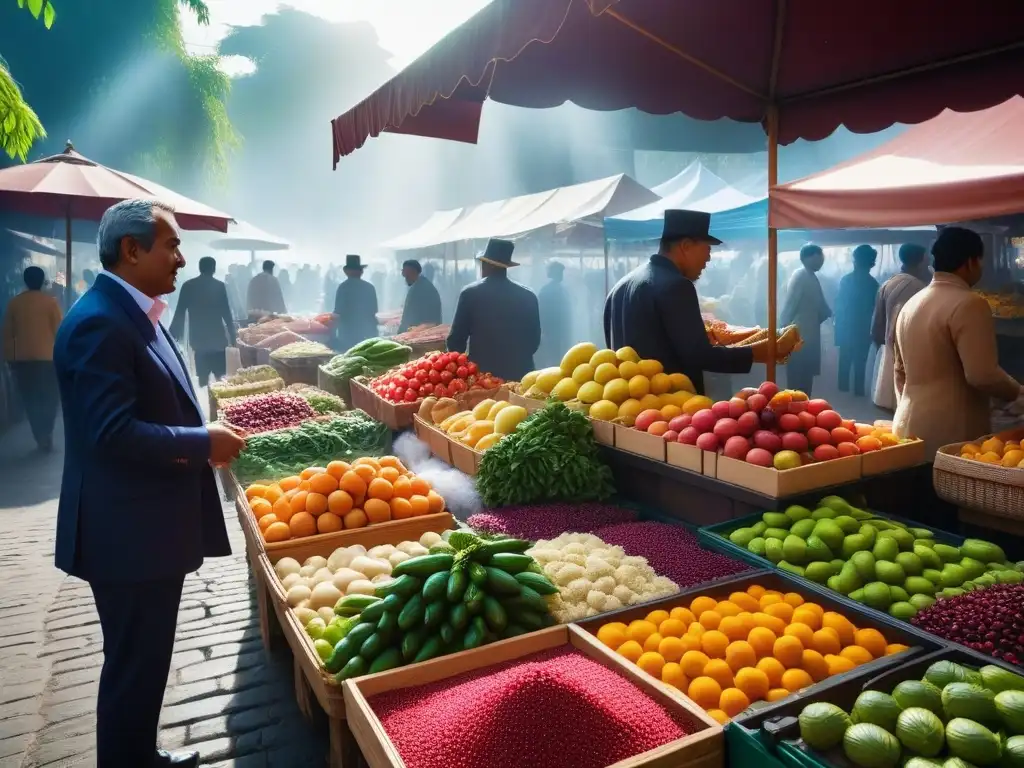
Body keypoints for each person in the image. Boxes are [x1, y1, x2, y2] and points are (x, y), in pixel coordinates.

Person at [53, 199, 245, 768]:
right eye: (171, 245)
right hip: (126, 534)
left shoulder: (135, 312)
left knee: (144, 660)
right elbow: (111, 433)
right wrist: (201, 443)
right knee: (134, 665)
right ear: (131, 250)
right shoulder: (97, 323)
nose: (182, 258)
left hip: (145, 528)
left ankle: (138, 753)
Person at [604, 210, 775, 396]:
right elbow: (699, 355)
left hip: (627, 406)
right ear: (685, 246)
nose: (708, 259)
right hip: (669, 407)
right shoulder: (676, 286)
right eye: (707, 249)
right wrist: (757, 353)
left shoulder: (619, 287)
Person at [893, 226, 1024, 458]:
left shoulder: (912, 304)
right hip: (951, 432)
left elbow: (899, 372)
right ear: (971, 262)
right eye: (981, 261)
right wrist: (1018, 392)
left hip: (907, 423)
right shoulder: (969, 303)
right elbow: (982, 374)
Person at [447, 239, 540, 381]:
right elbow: (534, 342)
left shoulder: (470, 294)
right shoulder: (529, 295)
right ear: (506, 266)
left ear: (485, 265)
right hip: (521, 377)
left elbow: (455, 342)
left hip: (483, 379)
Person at [2, 266, 63, 450]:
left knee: (30, 398)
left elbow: (7, 334)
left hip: (22, 360)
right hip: (48, 359)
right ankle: (47, 431)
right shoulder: (50, 303)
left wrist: (8, 358)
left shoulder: (14, 304)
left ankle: (39, 435)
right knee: (50, 396)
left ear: (25, 281)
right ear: (43, 281)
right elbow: (60, 332)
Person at [871, 243, 931, 410]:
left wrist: (880, 348)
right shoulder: (919, 287)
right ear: (920, 262)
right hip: (909, 353)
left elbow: (877, 324)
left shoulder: (887, 283)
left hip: (887, 349)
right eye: (926, 260)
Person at [169, 256, 237, 387]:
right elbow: (227, 314)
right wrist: (232, 336)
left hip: (199, 341)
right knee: (221, 377)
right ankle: (218, 405)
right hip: (217, 339)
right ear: (214, 269)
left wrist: (172, 336)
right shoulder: (219, 286)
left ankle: (206, 403)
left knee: (203, 378)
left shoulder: (188, 286)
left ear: (200, 268)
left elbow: (179, 312)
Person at [780, 243, 832, 396]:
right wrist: (782, 331)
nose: (822, 261)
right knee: (797, 375)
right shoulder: (800, 276)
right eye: (819, 257)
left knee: (806, 376)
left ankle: (803, 404)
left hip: (809, 334)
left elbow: (822, 306)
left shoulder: (810, 276)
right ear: (808, 258)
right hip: (798, 335)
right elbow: (790, 305)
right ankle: (794, 407)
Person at [834, 244, 880, 397]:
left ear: (855, 261)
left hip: (846, 326)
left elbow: (839, 306)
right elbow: (875, 309)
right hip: (864, 327)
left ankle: (843, 389)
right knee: (861, 360)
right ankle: (858, 390)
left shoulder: (846, 280)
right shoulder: (874, 284)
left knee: (845, 358)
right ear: (872, 263)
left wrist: (837, 327)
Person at [333, 254, 379, 352]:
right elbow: (374, 310)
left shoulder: (343, 288)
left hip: (348, 335)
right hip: (367, 332)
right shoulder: (369, 287)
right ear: (361, 271)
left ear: (347, 272)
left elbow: (338, 311)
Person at [537, 261, 572, 368]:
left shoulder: (558, 289)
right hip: (552, 331)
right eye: (560, 272)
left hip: (558, 331)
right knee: (554, 358)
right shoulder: (551, 290)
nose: (562, 275)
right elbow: (542, 311)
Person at [398, 259, 442, 332]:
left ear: (414, 272)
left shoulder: (419, 289)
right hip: (427, 330)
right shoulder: (422, 285)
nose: (406, 279)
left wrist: (400, 333)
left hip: (423, 332)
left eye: (407, 276)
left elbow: (408, 316)